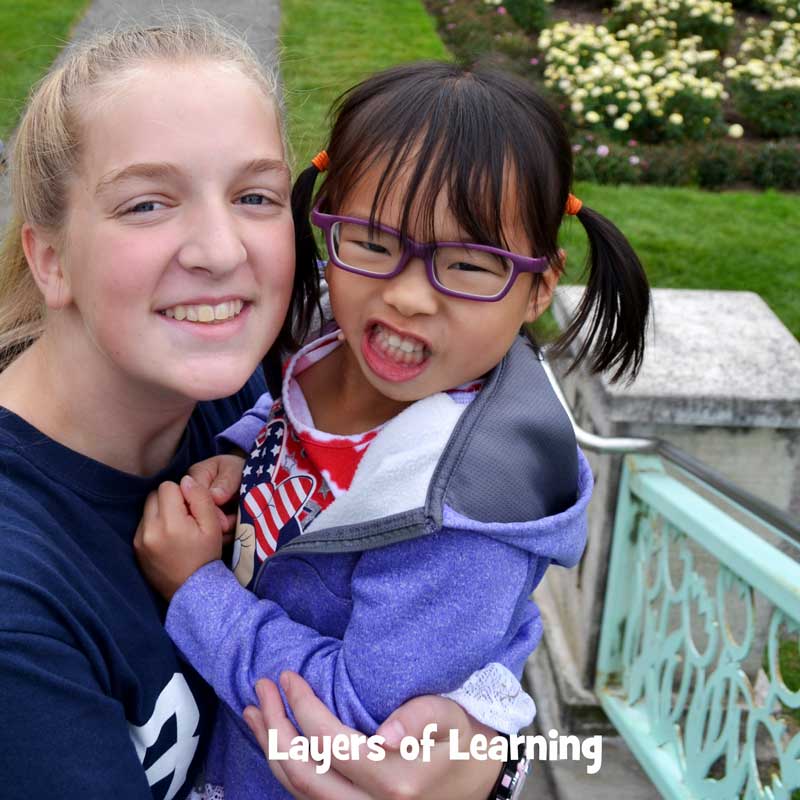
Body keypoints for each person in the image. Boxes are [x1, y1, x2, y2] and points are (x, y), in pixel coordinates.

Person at [0, 23, 507, 800]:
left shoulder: (260, 404)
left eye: (254, 196)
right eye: (146, 203)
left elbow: (453, 587)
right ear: (50, 258)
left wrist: (484, 744)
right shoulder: (18, 599)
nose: (221, 249)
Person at [134, 62, 651, 800]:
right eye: (372, 243)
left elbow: (354, 723)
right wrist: (244, 454)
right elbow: (299, 407)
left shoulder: (462, 521)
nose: (407, 296)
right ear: (327, 225)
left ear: (540, 286)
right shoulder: (334, 339)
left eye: (472, 264)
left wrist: (196, 589)